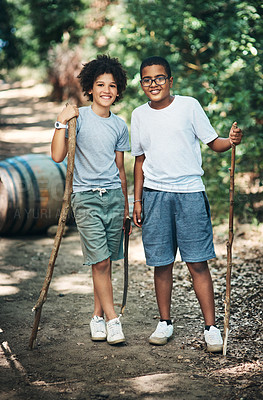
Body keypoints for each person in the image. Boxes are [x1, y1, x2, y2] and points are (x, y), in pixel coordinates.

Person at [131, 56, 242, 352]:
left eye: (159, 78)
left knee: (197, 262)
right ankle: (165, 322)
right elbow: (139, 160)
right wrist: (137, 200)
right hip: (154, 195)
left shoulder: (189, 106)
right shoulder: (139, 115)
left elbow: (213, 142)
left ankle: (211, 327)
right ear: (141, 84)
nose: (153, 84)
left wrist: (230, 141)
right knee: (161, 262)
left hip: (190, 192)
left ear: (170, 80)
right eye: (147, 79)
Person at [51, 54, 131, 345]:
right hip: (85, 198)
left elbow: (120, 170)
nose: (106, 90)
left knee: (106, 262)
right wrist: (61, 123)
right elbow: (58, 156)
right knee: (100, 262)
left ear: (118, 90)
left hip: (113, 198)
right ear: (90, 88)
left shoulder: (120, 126)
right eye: (100, 84)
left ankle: (96, 317)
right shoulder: (78, 117)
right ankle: (112, 319)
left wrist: (126, 206)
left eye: (111, 85)